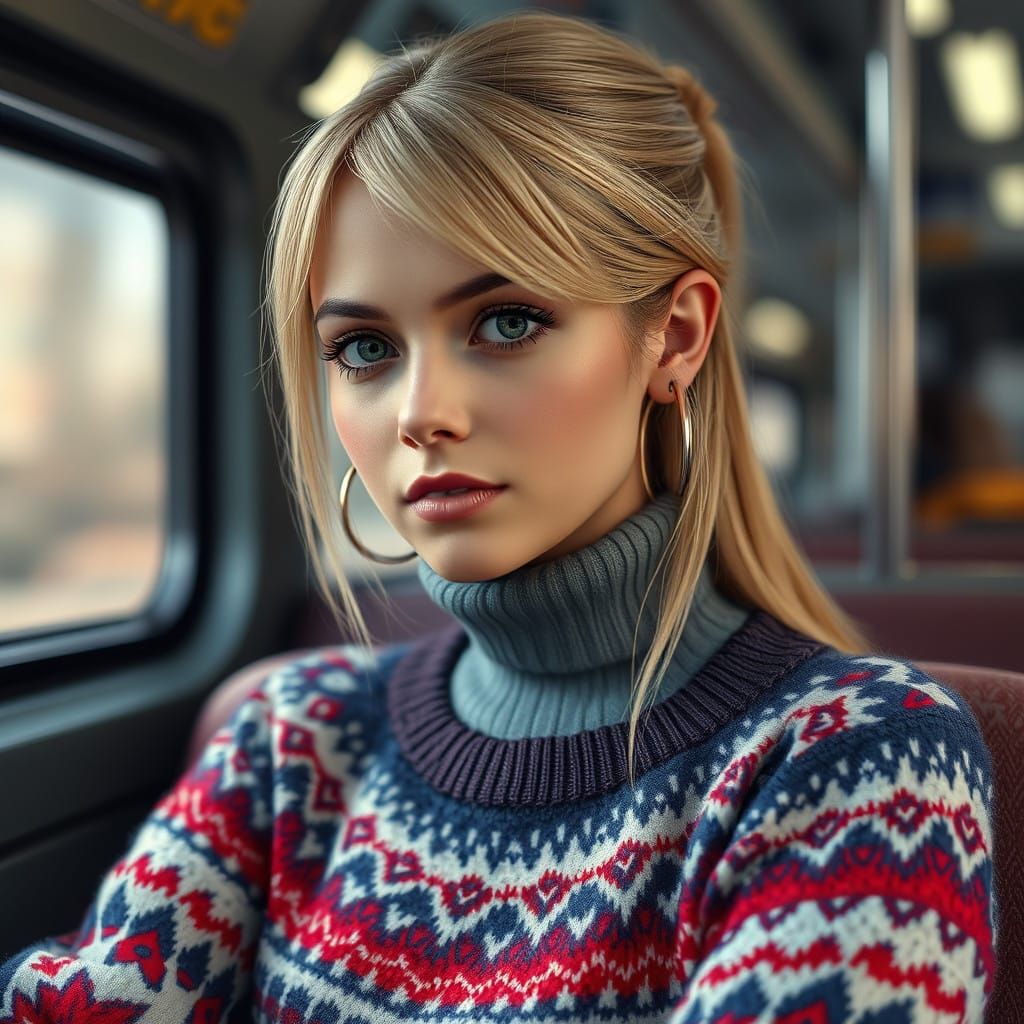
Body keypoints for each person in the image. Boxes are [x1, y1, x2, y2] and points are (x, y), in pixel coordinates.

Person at [0, 11, 995, 1023]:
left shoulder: (862, 765)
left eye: (506, 322)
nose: (421, 413)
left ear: (674, 338)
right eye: (364, 349)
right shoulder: (291, 739)